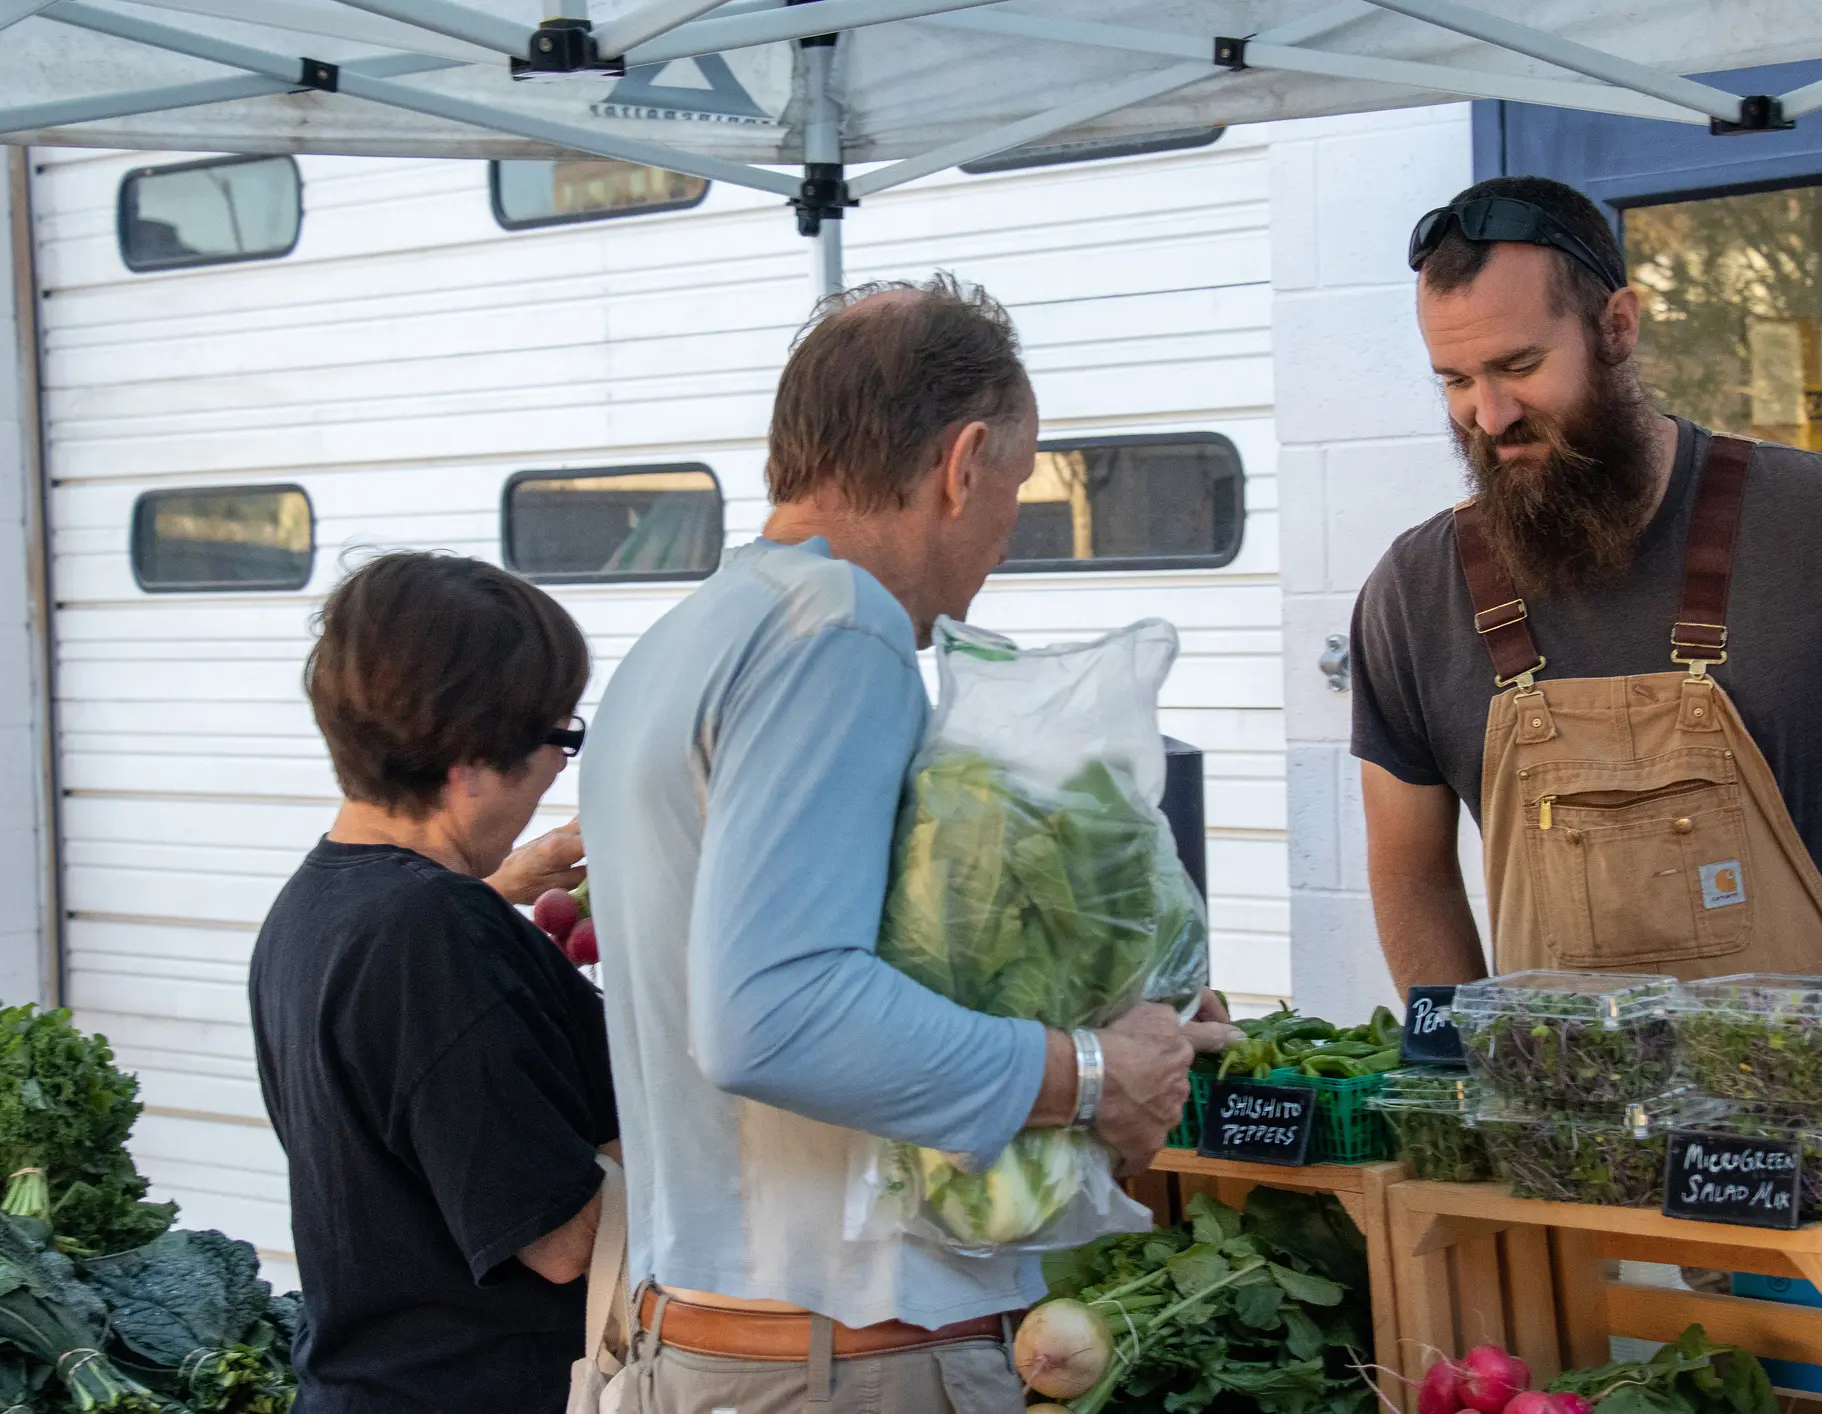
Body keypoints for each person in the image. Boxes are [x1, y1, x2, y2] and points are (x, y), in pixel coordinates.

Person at [580, 274, 1235, 1412]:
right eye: (1018, 487)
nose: (1003, 534)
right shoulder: (841, 630)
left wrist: (1124, 1015)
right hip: (839, 1361)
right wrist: (1087, 1074)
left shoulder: (688, 637)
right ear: (961, 460)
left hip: (705, 1335)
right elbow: (773, 1012)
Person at [1351, 175, 1822, 1009]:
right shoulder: (1414, 591)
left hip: (1800, 1112)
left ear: (1616, 326)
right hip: (1553, 1122)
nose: (1491, 413)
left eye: (1519, 365)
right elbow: (1411, 877)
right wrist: (1463, 1081)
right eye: (1455, 380)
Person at [249, 551, 620, 1413]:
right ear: (466, 756)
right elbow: (561, 1240)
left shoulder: (315, 905)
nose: (562, 771)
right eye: (558, 740)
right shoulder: (432, 939)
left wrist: (497, 903)